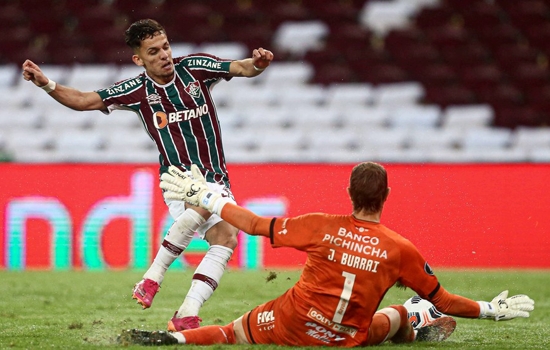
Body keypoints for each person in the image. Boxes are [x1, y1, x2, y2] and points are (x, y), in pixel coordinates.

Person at [22, 18, 274, 331]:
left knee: (226, 238)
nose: (164, 55)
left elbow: (242, 68)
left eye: (165, 47)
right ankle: (153, 278)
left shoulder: (195, 68)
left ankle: (185, 314)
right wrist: (46, 84)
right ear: (139, 59)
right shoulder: (137, 90)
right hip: (178, 181)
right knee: (205, 201)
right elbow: (85, 101)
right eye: (153, 52)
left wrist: (259, 64)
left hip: (216, 177)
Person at [119, 162, 535, 346]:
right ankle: (415, 320)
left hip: (291, 325)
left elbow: (252, 224)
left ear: (349, 193)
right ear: (386, 196)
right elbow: (444, 298)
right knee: (391, 319)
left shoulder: (319, 225)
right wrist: (489, 309)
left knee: (232, 333)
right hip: (345, 339)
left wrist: (208, 196)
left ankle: (175, 337)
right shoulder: (400, 250)